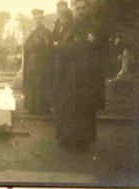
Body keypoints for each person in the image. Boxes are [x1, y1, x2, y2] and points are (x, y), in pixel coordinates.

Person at [52, 0, 105, 150]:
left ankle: (83, 141)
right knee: (69, 109)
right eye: (78, 8)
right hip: (70, 76)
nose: (80, 11)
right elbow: (65, 47)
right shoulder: (72, 26)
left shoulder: (94, 26)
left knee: (84, 111)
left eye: (83, 8)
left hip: (87, 77)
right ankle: (68, 139)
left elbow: (94, 48)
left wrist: (76, 47)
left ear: (88, 9)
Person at [23, 9, 54, 115]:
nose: (37, 21)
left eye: (39, 19)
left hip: (43, 63)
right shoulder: (33, 33)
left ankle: (42, 109)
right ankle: (33, 108)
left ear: (43, 19)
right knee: (33, 85)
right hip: (33, 62)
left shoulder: (46, 32)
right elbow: (27, 46)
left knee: (42, 85)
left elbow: (48, 48)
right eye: (35, 19)